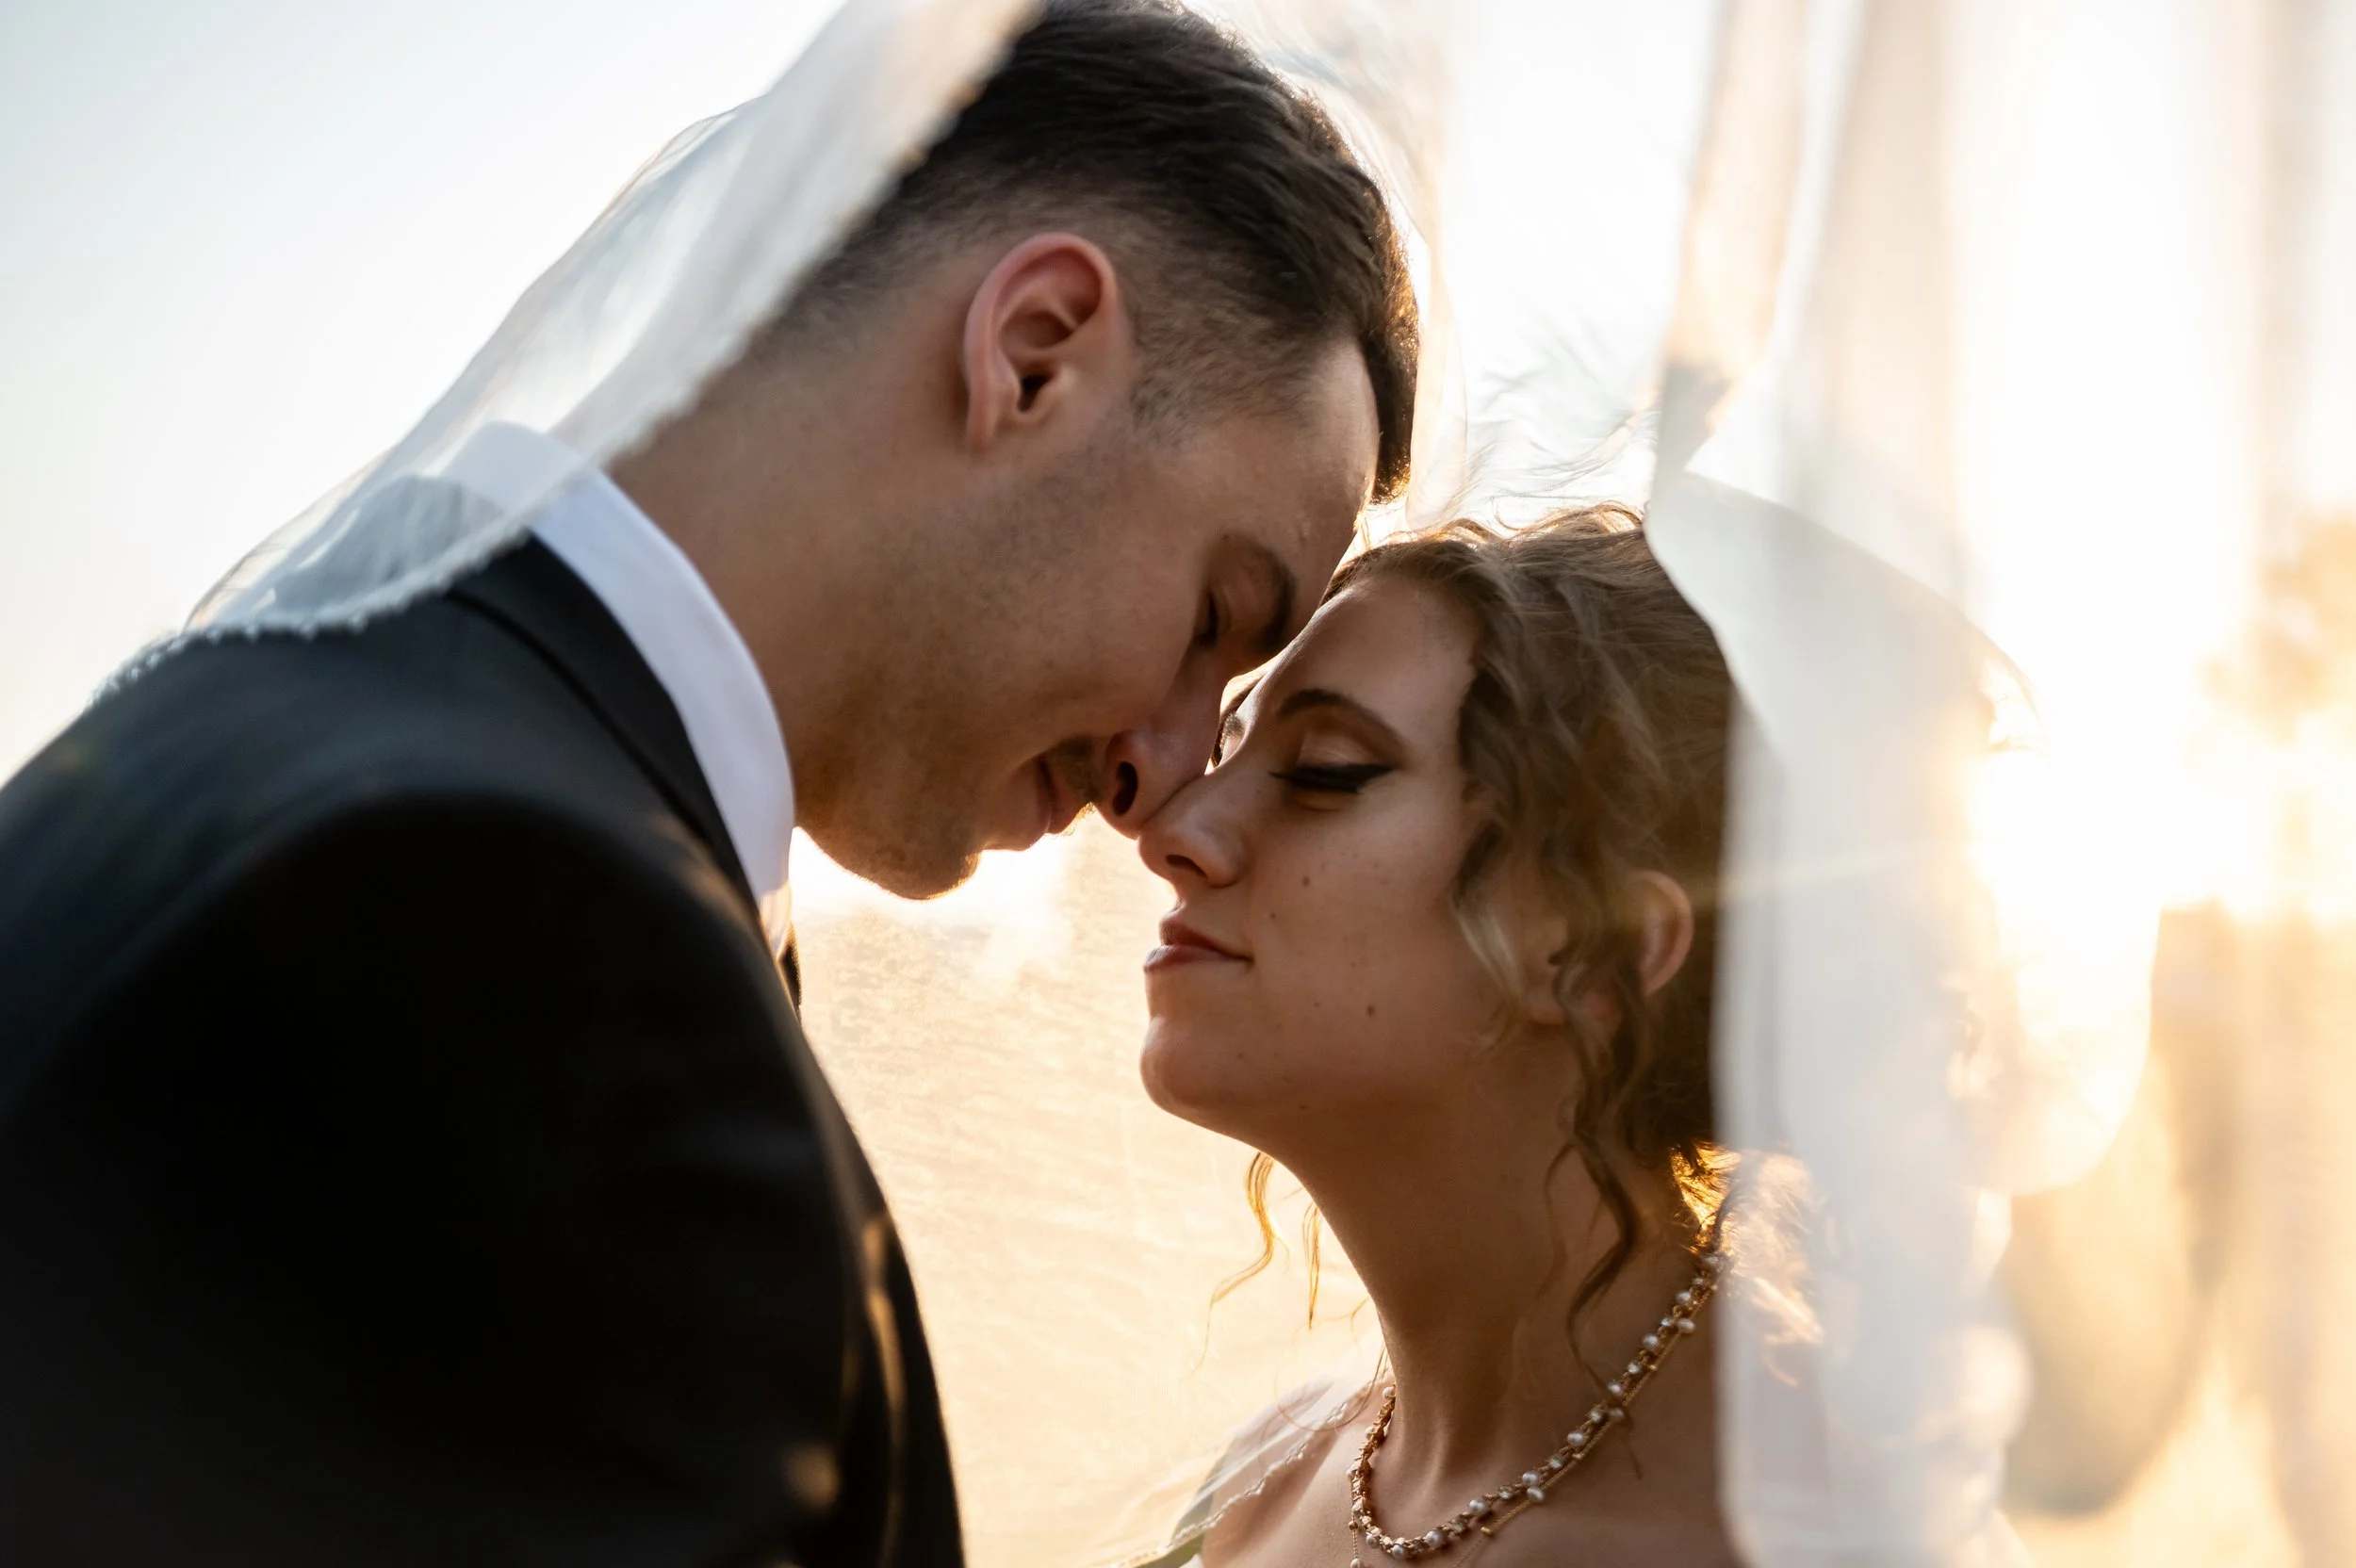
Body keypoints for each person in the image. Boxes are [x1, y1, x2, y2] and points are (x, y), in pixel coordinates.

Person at [0, 2, 1415, 1563]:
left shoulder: (224, 729)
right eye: (1215, 615)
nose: (1165, 772)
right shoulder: (541, 956)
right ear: (1031, 356)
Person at [1133, 506, 1739, 1567]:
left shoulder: (1788, 1531)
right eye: (1225, 748)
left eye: (1323, 769)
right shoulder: (1265, 1480)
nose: (1173, 831)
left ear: (1595, 950)